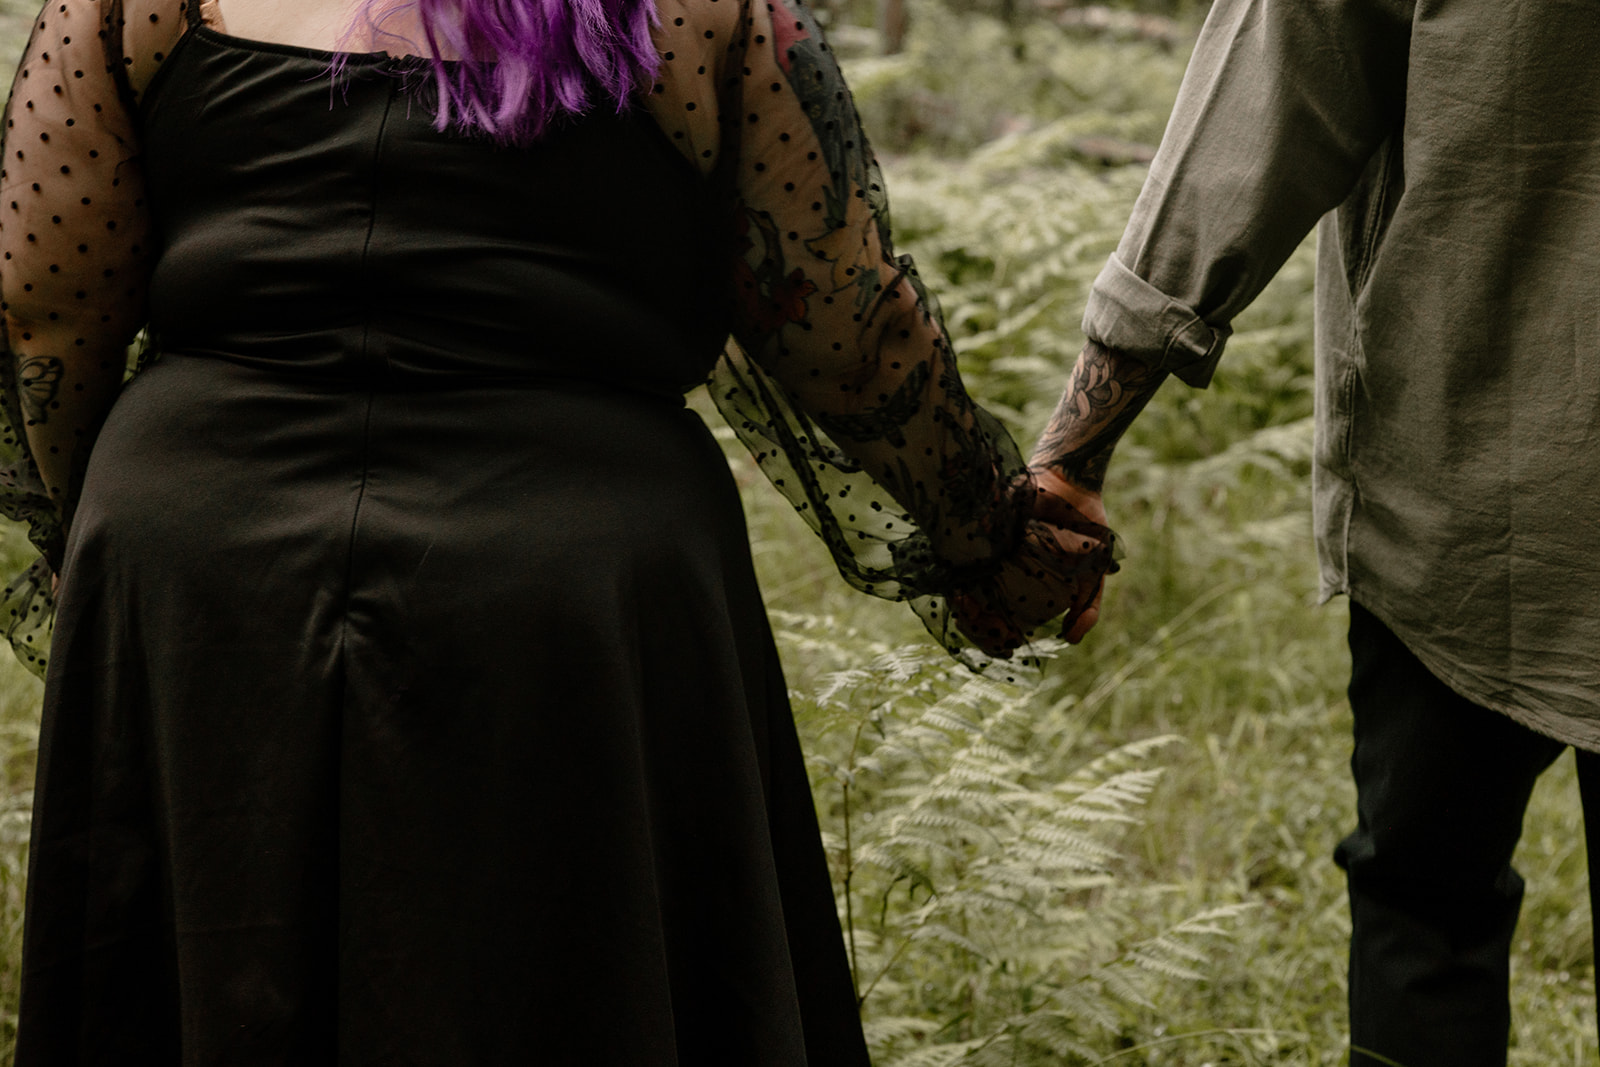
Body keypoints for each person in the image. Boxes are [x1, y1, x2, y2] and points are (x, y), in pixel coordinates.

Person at [0, 0, 1115, 1059]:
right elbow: (846, 326)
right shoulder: (703, 14)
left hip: (194, 572)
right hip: (577, 591)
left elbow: (45, 302)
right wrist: (993, 540)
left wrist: (90, 541)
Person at [1018, 2, 1600, 1065]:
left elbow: (1277, 81)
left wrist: (1070, 456)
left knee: (1428, 911)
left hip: (1474, 476)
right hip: (1471, 487)